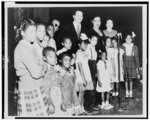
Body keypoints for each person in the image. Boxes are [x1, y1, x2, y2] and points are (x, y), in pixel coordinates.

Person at [14, 19, 49, 116]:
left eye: (35, 31)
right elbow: (36, 73)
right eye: (31, 32)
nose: (34, 34)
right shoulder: (23, 48)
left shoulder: (30, 46)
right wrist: (44, 69)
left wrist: (42, 66)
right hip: (30, 90)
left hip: (36, 87)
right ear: (22, 33)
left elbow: (41, 63)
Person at [75, 33, 94, 114]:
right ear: (79, 44)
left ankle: (82, 108)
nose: (86, 45)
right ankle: (79, 110)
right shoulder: (78, 53)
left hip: (85, 74)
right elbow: (80, 67)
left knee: (83, 93)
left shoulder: (84, 53)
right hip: (81, 76)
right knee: (80, 93)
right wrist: (83, 79)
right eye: (84, 43)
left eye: (86, 43)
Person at [43, 47, 64, 116]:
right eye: (50, 57)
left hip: (59, 95)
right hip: (52, 96)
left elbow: (60, 83)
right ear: (44, 58)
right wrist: (49, 103)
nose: (54, 59)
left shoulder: (55, 69)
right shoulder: (47, 72)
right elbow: (46, 89)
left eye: (55, 56)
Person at [57, 52, 80, 116]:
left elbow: (73, 83)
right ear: (60, 60)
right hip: (65, 99)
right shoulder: (59, 72)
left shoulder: (71, 70)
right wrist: (61, 103)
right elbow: (59, 89)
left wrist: (73, 73)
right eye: (65, 60)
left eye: (69, 60)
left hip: (72, 96)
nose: (68, 62)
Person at [122, 32, 140, 98]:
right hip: (125, 63)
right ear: (125, 39)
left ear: (132, 39)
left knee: (131, 79)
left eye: (130, 38)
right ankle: (127, 92)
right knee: (126, 79)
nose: (128, 39)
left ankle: (130, 92)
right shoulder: (122, 46)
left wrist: (137, 67)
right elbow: (121, 57)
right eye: (127, 38)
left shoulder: (134, 47)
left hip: (132, 63)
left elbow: (137, 58)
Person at [85, 35, 98, 108]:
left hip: (94, 65)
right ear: (89, 39)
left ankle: (93, 103)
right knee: (91, 84)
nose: (95, 42)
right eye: (93, 40)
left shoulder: (94, 48)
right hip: (89, 65)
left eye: (96, 40)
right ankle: (88, 104)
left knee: (94, 84)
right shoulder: (88, 47)